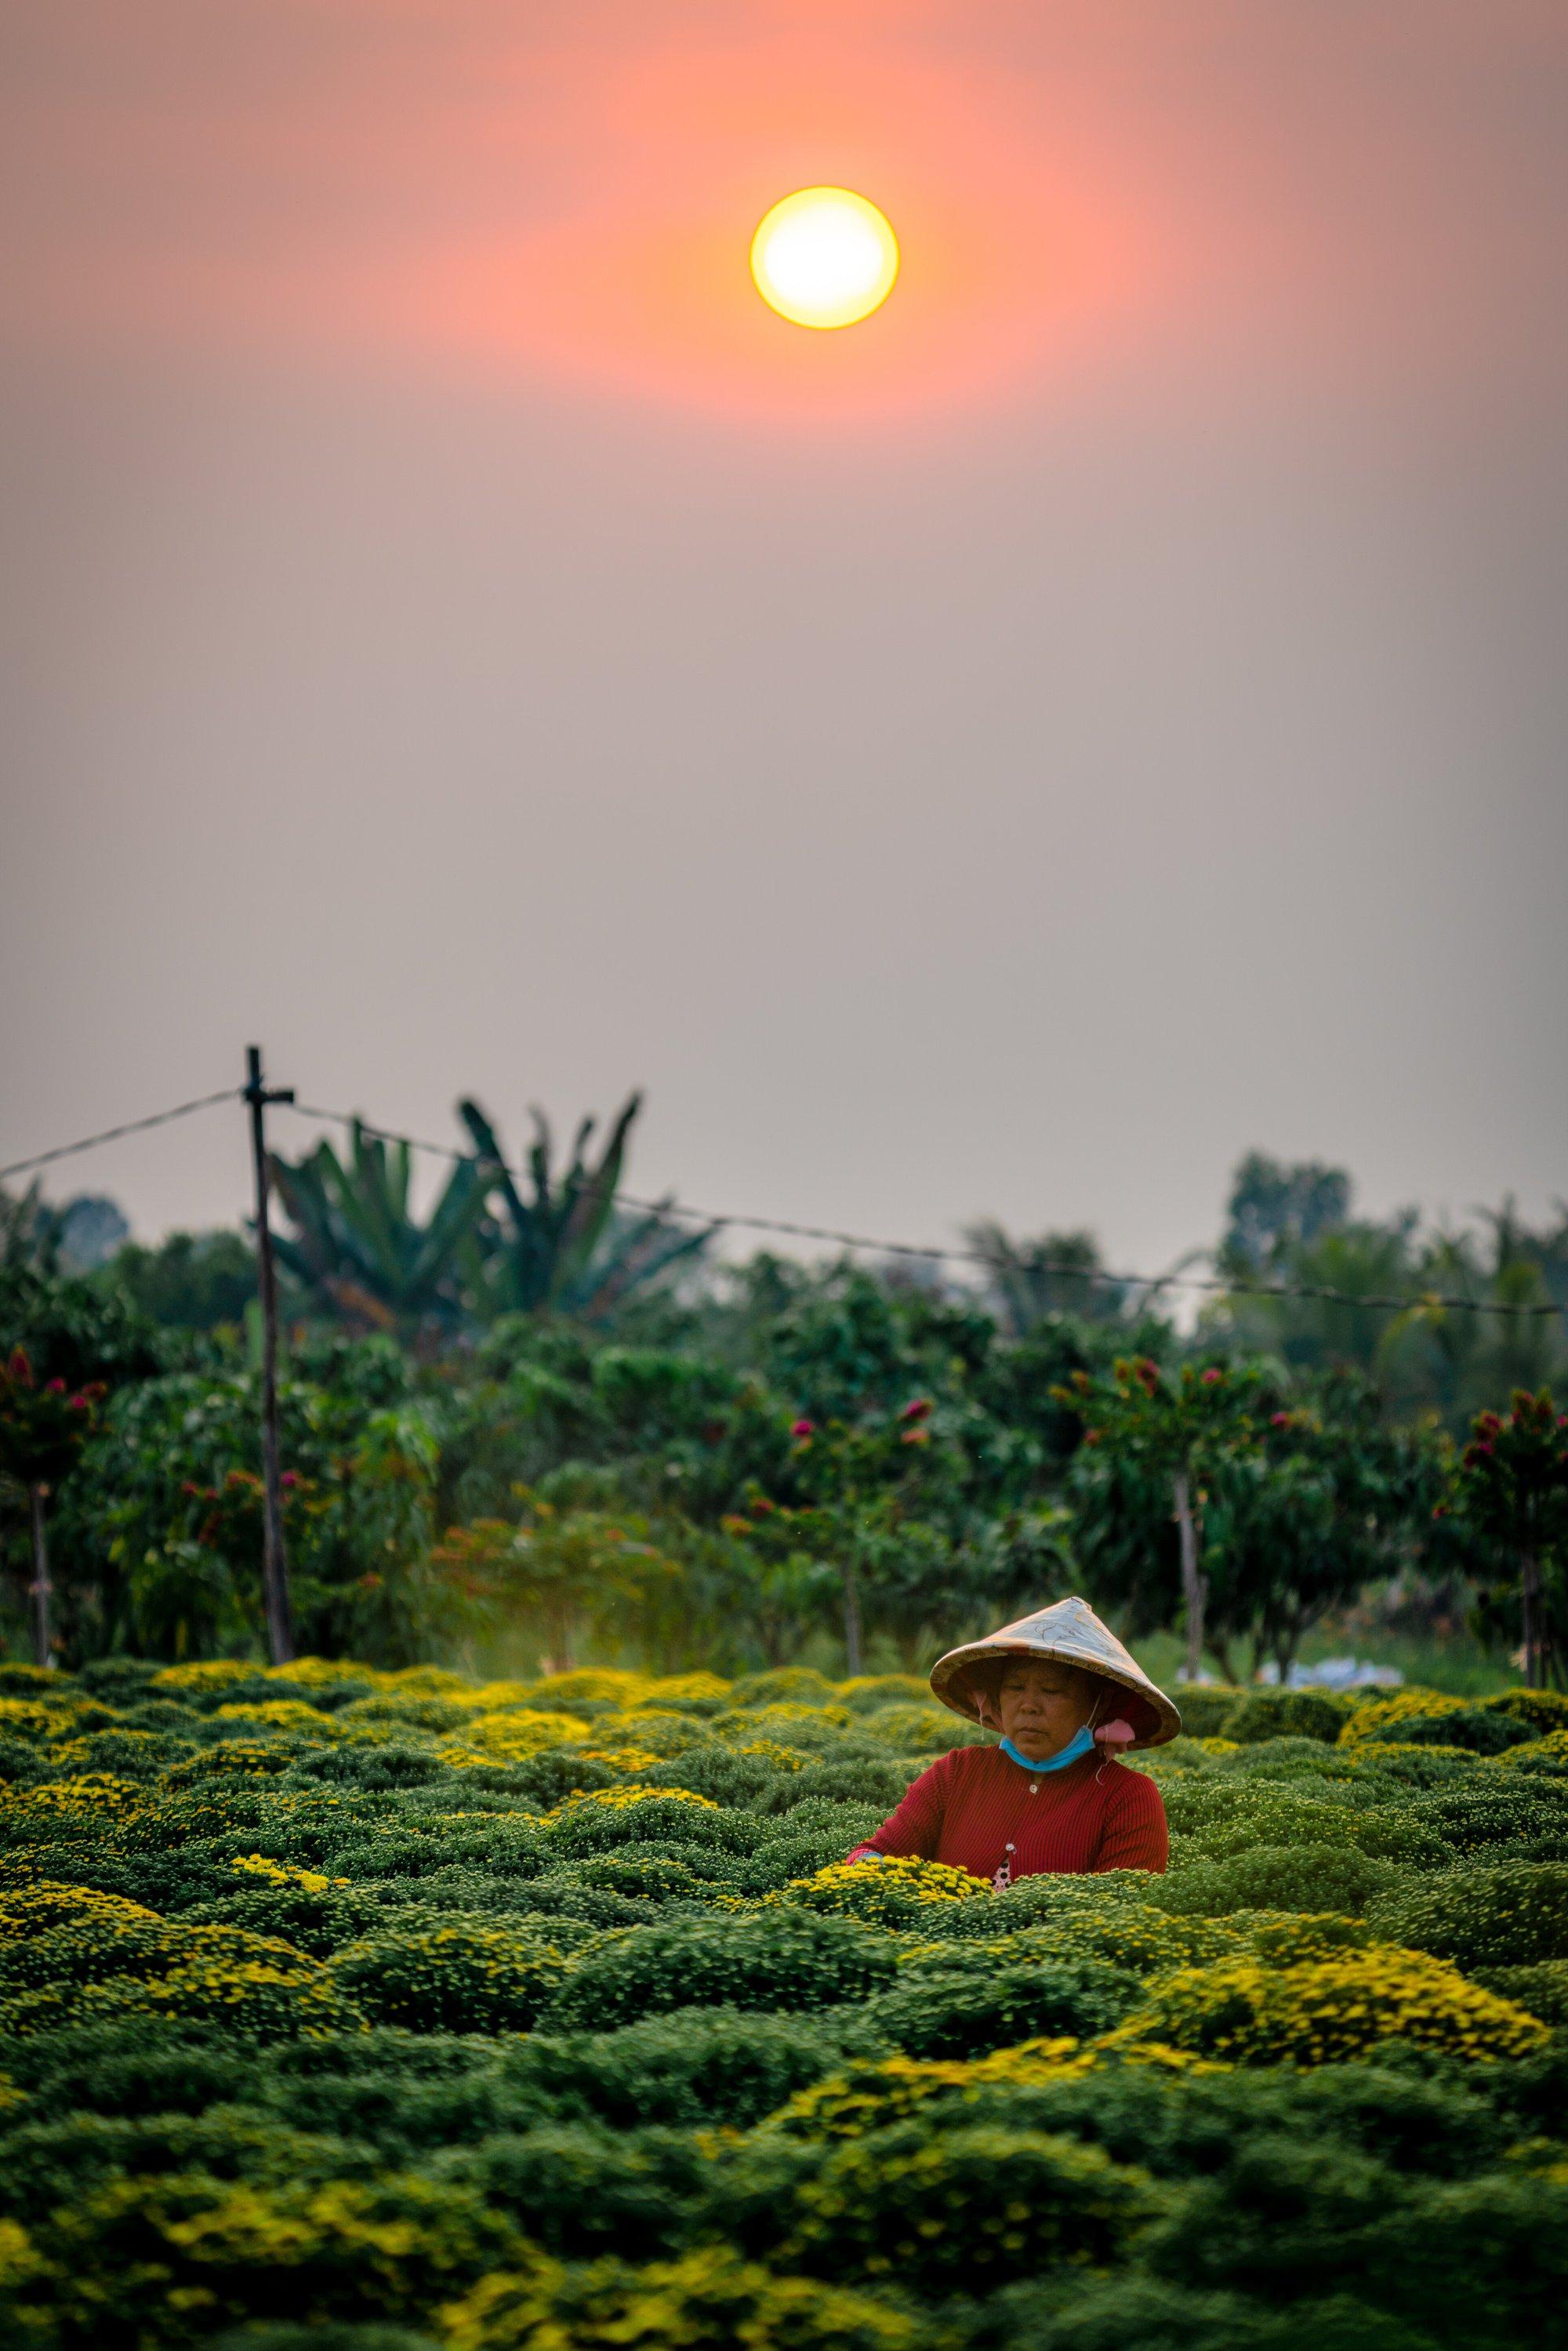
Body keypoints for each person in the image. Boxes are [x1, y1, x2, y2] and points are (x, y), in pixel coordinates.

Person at [845, 1595, 1178, 1884]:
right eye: (1016, 1688)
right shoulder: (956, 1773)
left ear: (1097, 1705)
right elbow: (877, 1852)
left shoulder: (1128, 1798)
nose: (1029, 1706)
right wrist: (869, 1866)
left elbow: (1119, 1916)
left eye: (1051, 1691)